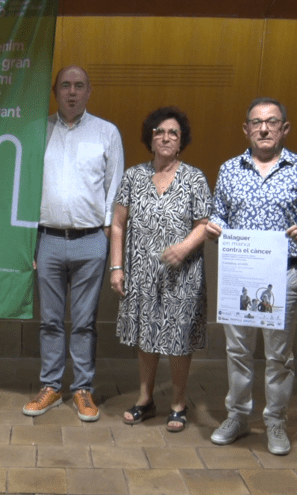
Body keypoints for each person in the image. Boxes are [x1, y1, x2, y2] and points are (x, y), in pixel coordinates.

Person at [207, 97, 297, 455]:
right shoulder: (229, 169)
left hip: (283, 277)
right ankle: (237, 417)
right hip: (239, 276)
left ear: (284, 128)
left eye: (272, 122)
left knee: (279, 357)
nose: (264, 128)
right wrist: (216, 228)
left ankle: (276, 423)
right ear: (246, 129)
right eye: (257, 122)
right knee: (237, 351)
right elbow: (219, 214)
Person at [23, 66, 124, 422]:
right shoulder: (37, 131)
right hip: (47, 240)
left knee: (83, 323)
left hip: (90, 242)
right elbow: (23, 189)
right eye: (65, 85)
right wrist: (27, 242)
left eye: (79, 86)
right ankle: (51, 387)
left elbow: (115, 194)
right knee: (50, 321)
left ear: (89, 91)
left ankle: (83, 389)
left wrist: (111, 251)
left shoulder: (106, 133)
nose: (71, 92)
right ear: (55, 91)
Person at [110, 107, 210, 432]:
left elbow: (205, 225)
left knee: (178, 339)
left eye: (173, 133)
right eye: (159, 132)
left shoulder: (194, 178)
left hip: (183, 275)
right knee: (146, 336)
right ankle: (145, 399)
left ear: (181, 142)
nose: (165, 137)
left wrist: (183, 248)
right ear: (150, 139)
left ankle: (178, 403)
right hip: (140, 272)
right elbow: (117, 224)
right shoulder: (133, 176)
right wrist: (116, 267)